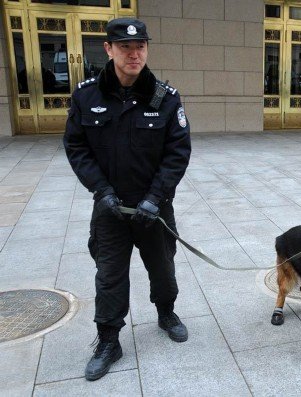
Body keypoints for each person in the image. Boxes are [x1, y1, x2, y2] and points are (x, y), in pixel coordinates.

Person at [63, 18, 191, 381]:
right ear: (108, 49)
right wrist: (100, 190)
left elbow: (177, 152)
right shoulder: (87, 96)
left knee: (163, 268)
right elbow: (76, 147)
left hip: (155, 207)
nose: (134, 54)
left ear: (146, 49)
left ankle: (166, 312)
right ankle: (108, 340)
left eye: (140, 47)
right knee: (109, 276)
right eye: (125, 47)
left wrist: (155, 198)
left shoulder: (165, 97)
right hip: (109, 207)